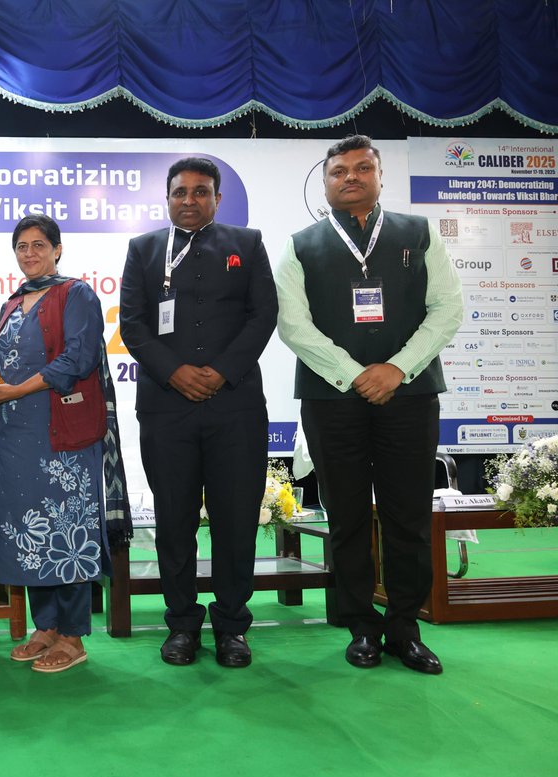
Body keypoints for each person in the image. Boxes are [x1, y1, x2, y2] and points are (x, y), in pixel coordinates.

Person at [274, 135, 462, 674]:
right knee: (348, 516)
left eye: (362, 169)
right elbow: (293, 324)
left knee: (407, 515)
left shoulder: (418, 233)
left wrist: (397, 369)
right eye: (339, 172)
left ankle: (405, 625)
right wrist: (356, 375)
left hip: (411, 394)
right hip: (331, 398)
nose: (350, 178)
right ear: (326, 181)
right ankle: (361, 625)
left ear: (379, 176)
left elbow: (447, 307)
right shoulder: (301, 244)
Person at [120, 157, 277, 668]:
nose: (190, 200)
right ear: (167, 198)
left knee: (235, 520)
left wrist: (222, 370)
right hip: (167, 409)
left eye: (201, 192)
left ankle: (233, 625)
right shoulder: (143, 250)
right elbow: (133, 324)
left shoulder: (247, 245)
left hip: (236, 406)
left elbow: (264, 314)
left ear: (217, 198)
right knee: (174, 520)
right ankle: (182, 624)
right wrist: (175, 373)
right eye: (180, 192)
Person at [0, 214, 130, 673]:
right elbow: (6, 368)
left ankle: (74, 635)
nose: (29, 254)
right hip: (16, 437)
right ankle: (45, 628)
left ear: (57, 249)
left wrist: (17, 391)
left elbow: (78, 358)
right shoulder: (11, 304)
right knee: (31, 532)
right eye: (21, 246)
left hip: (62, 434)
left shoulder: (75, 293)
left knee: (67, 529)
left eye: (39, 244)